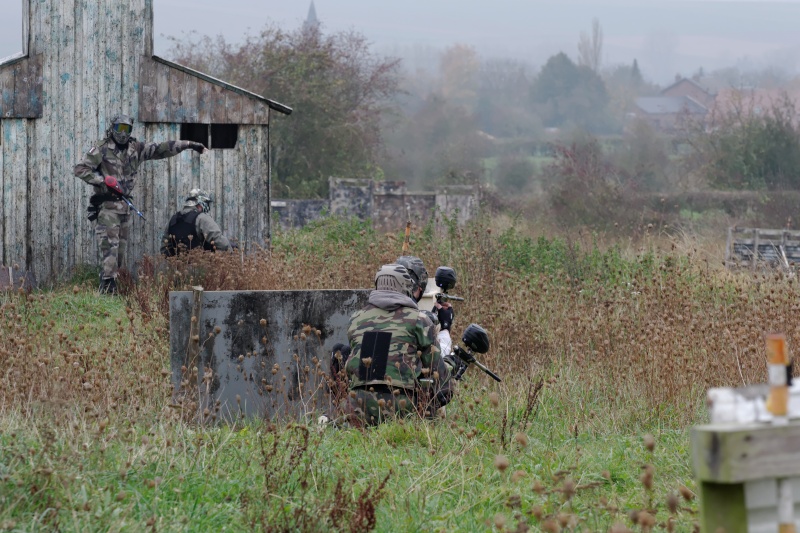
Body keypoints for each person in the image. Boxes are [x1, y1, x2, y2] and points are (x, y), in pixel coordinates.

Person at [73, 114, 208, 294]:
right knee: (109, 249)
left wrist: (189, 144)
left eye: (126, 129)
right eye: (119, 128)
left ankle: (112, 289)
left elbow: (162, 148)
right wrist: (102, 181)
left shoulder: (135, 149)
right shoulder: (102, 149)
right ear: (112, 128)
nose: (122, 133)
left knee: (119, 251)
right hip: (107, 207)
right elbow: (80, 169)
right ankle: (106, 289)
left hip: (124, 206)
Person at [342, 263, 457, 426]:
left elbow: (357, 370)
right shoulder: (419, 319)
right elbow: (441, 380)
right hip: (402, 409)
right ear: (406, 287)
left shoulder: (356, 319)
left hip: (358, 407)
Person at [160, 188, 233, 256]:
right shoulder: (202, 218)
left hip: (178, 267)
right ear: (200, 204)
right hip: (202, 266)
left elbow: (164, 249)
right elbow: (221, 242)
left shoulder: (173, 220)